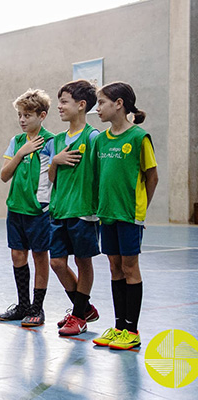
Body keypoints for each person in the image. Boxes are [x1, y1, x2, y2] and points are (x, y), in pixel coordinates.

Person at [91, 82, 158, 350]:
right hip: (107, 214)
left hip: (129, 214)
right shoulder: (101, 140)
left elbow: (152, 176)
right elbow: (98, 177)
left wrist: (141, 208)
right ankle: (119, 327)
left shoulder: (139, 137)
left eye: (102, 103)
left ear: (118, 104)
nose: (98, 109)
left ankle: (132, 329)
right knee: (114, 267)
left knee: (130, 268)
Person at [46, 80, 101, 336]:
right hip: (59, 209)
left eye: (64, 101)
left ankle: (78, 315)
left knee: (82, 261)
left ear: (81, 105)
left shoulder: (92, 138)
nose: (59, 106)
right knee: (56, 262)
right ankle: (84, 307)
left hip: (82, 210)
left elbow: (100, 175)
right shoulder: (57, 140)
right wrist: (55, 162)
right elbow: (52, 178)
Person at [0, 89, 54, 327]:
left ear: (41, 115)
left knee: (40, 255)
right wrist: (20, 153)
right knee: (18, 254)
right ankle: (23, 305)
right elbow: (4, 175)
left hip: (39, 209)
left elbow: (54, 175)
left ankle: (37, 308)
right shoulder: (16, 141)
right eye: (20, 115)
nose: (22, 120)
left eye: (27, 115)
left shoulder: (51, 141)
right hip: (16, 207)